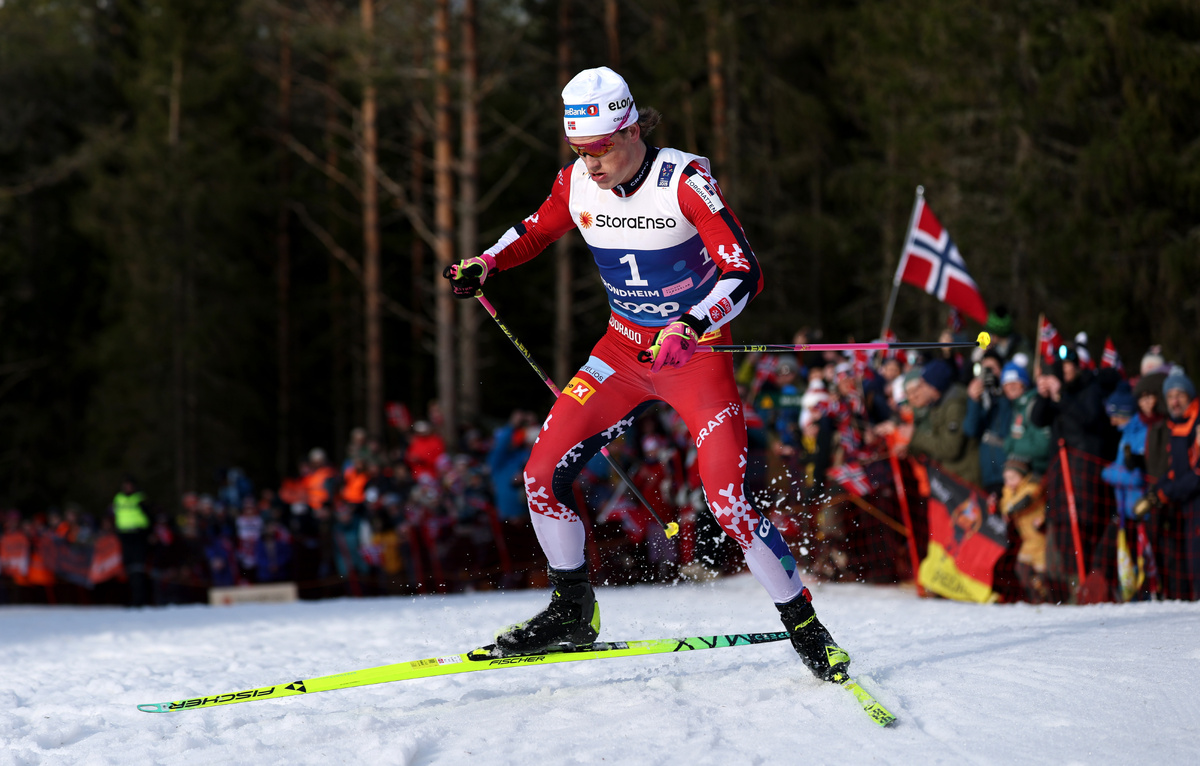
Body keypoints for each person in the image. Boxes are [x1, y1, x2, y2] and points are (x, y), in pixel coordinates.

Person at [443, 66, 849, 681]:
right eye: (579, 150)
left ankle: (806, 627)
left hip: (694, 355)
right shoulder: (576, 182)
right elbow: (535, 229)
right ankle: (571, 611)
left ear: (631, 130)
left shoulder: (684, 182)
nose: (590, 164)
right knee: (540, 475)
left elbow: (745, 271)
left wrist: (692, 321)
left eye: (600, 149)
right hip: (620, 355)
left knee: (728, 500)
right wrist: (486, 263)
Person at [1134, 370, 1200, 600]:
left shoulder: (1197, 424)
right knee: (1189, 567)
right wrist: (1153, 494)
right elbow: (1174, 470)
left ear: (1190, 396)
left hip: (1196, 503)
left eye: (1180, 395)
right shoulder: (1175, 425)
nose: (1175, 401)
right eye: (1170, 396)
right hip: (1186, 506)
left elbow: (1197, 473)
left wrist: (1164, 493)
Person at [113, 476, 151, 607]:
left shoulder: (140, 498)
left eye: (130, 485)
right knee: (128, 569)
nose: (128, 487)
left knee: (138, 569)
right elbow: (113, 516)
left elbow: (150, 516)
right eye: (126, 485)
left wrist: (148, 533)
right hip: (124, 536)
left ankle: (141, 599)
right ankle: (132, 598)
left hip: (138, 535)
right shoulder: (118, 499)